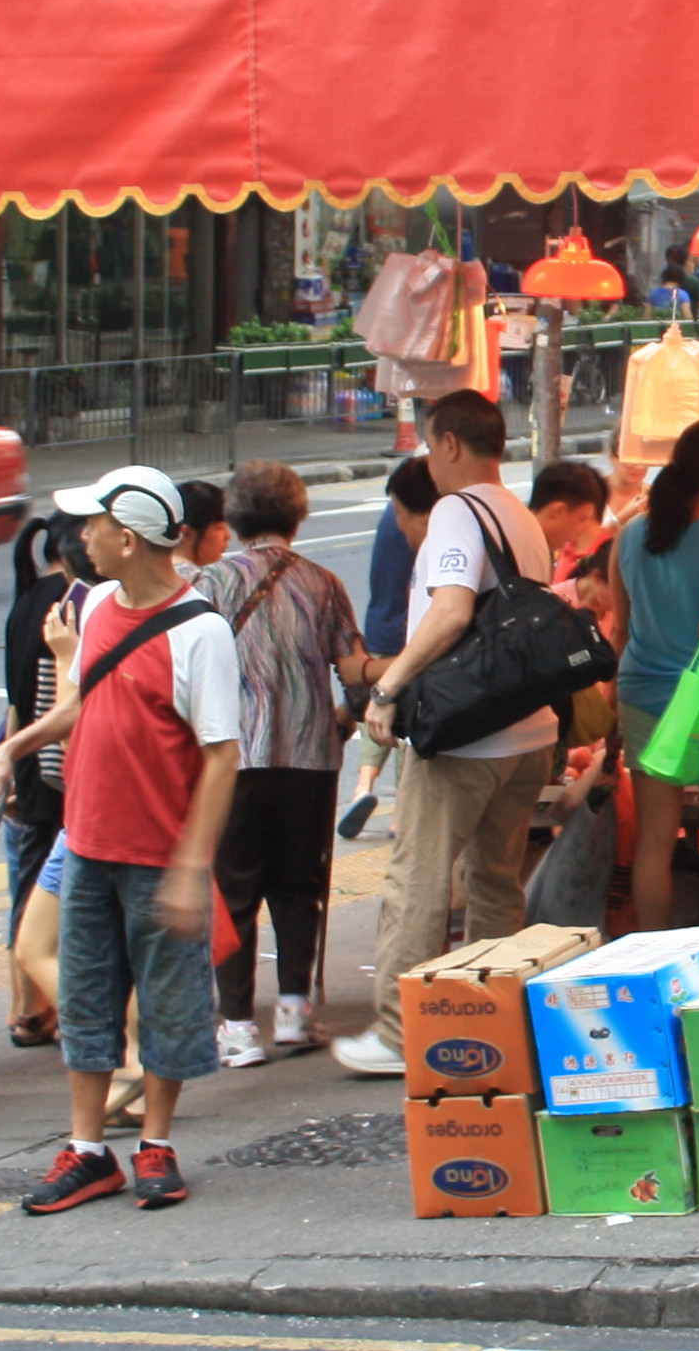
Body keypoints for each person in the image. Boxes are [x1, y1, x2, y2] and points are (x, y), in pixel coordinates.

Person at [0, 465, 241, 1213]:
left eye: (93, 525)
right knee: (87, 1000)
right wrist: (12, 748)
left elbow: (222, 756)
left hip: (159, 852)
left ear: (128, 539)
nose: (82, 536)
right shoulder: (92, 608)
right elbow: (79, 706)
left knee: (168, 1002)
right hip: (87, 841)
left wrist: (190, 867)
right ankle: (88, 1149)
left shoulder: (201, 632)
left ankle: (156, 1142)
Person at [329, 391, 565, 1074]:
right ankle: (494, 1020)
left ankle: (399, 1034)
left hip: (466, 737)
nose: (430, 460)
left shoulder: (458, 511)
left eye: (431, 446)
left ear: (452, 444)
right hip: (527, 732)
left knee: (418, 881)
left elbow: (452, 611)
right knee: (494, 882)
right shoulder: (518, 513)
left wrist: (389, 686)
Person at [196, 460, 369, 1065]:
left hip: (232, 758)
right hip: (308, 759)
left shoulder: (210, 583)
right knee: (299, 886)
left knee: (233, 888)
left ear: (235, 517)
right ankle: (296, 1011)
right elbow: (353, 670)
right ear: (297, 516)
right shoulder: (323, 583)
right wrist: (347, 717)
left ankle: (238, 1026)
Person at [600, 419, 699, 933]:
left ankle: (656, 949)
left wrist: (610, 705)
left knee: (655, 843)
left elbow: (619, 631)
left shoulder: (627, 536)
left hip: (641, 692)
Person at [0, 511, 90, 1047]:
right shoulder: (72, 603)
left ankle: (26, 1006)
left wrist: (10, 760)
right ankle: (37, 1007)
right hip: (60, 769)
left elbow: (16, 700)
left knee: (29, 881)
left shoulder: (28, 598)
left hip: (30, 764)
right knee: (53, 891)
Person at [338, 456, 436, 843]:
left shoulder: (392, 513)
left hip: (380, 625)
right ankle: (401, 811)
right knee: (404, 719)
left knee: (375, 713)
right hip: (410, 635)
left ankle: (362, 786)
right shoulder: (422, 524)